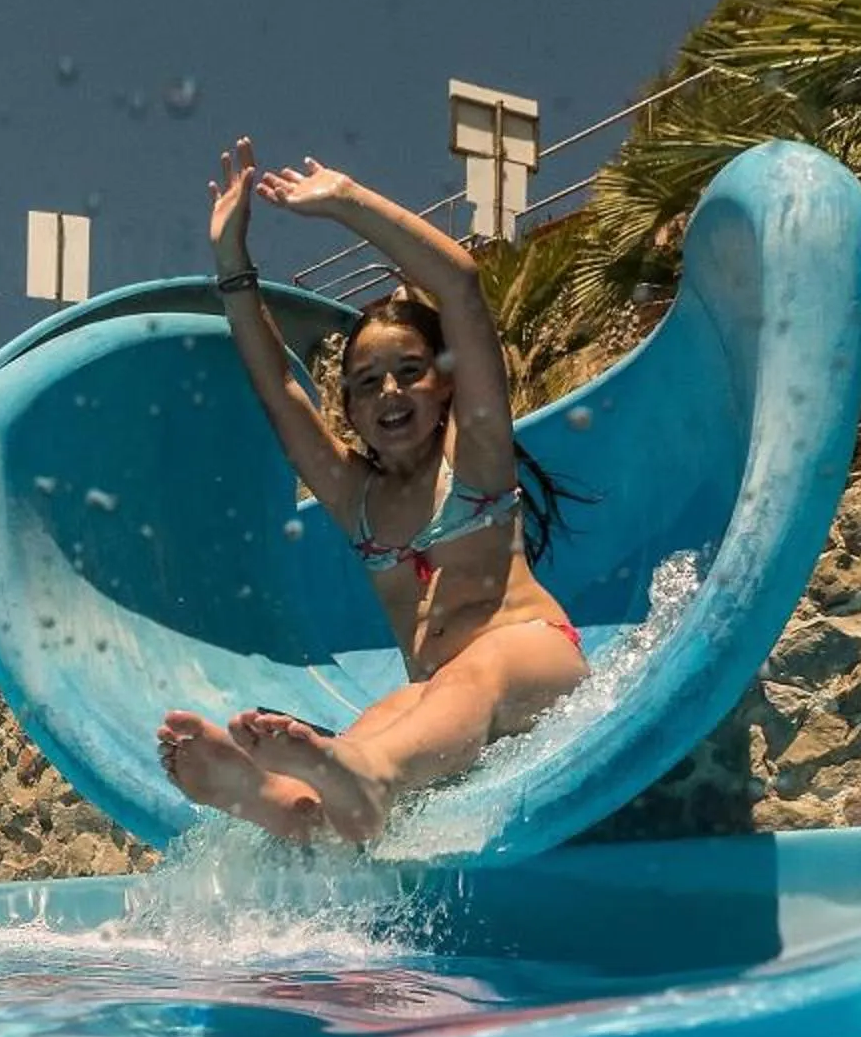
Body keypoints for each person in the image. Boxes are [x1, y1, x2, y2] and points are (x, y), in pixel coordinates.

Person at [156, 136, 585, 845]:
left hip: (531, 658)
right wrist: (233, 265)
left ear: (445, 384)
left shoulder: (475, 457)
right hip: (441, 695)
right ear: (349, 411)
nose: (389, 391)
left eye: (409, 371)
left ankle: (367, 776)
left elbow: (460, 288)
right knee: (389, 714)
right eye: (364, 383)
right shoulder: (354, 499)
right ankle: (287, 802)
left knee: (466, 677)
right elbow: (279, 386)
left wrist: (348, 201)